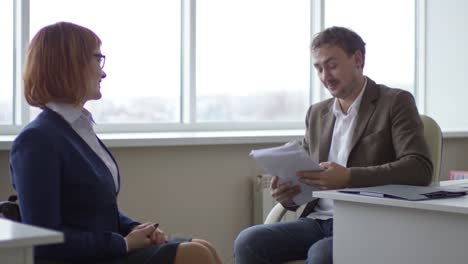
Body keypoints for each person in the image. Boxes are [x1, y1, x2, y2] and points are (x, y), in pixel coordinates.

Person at [9, 21, 222, 264]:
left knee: (202, 247)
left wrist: (138, 228)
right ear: (70, 64)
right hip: (83, 259)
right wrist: (123, 243)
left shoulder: (77, 130)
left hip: (105, 251)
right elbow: (43, 240)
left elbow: (97, 210)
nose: (103, 72)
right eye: (97, 59)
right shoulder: (36, 141)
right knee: (195, 254)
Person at [234, 26, 433, 263]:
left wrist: (348, 177)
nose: (325, 76)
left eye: (332, 65)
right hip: (318, 219)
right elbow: (307, 174)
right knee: (249, 241)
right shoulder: (317, 113)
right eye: (318, 68)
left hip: (369, 222)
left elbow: (419, 168)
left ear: (358, 59)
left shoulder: (395, 102)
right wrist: (287, 193)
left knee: (321, 255)